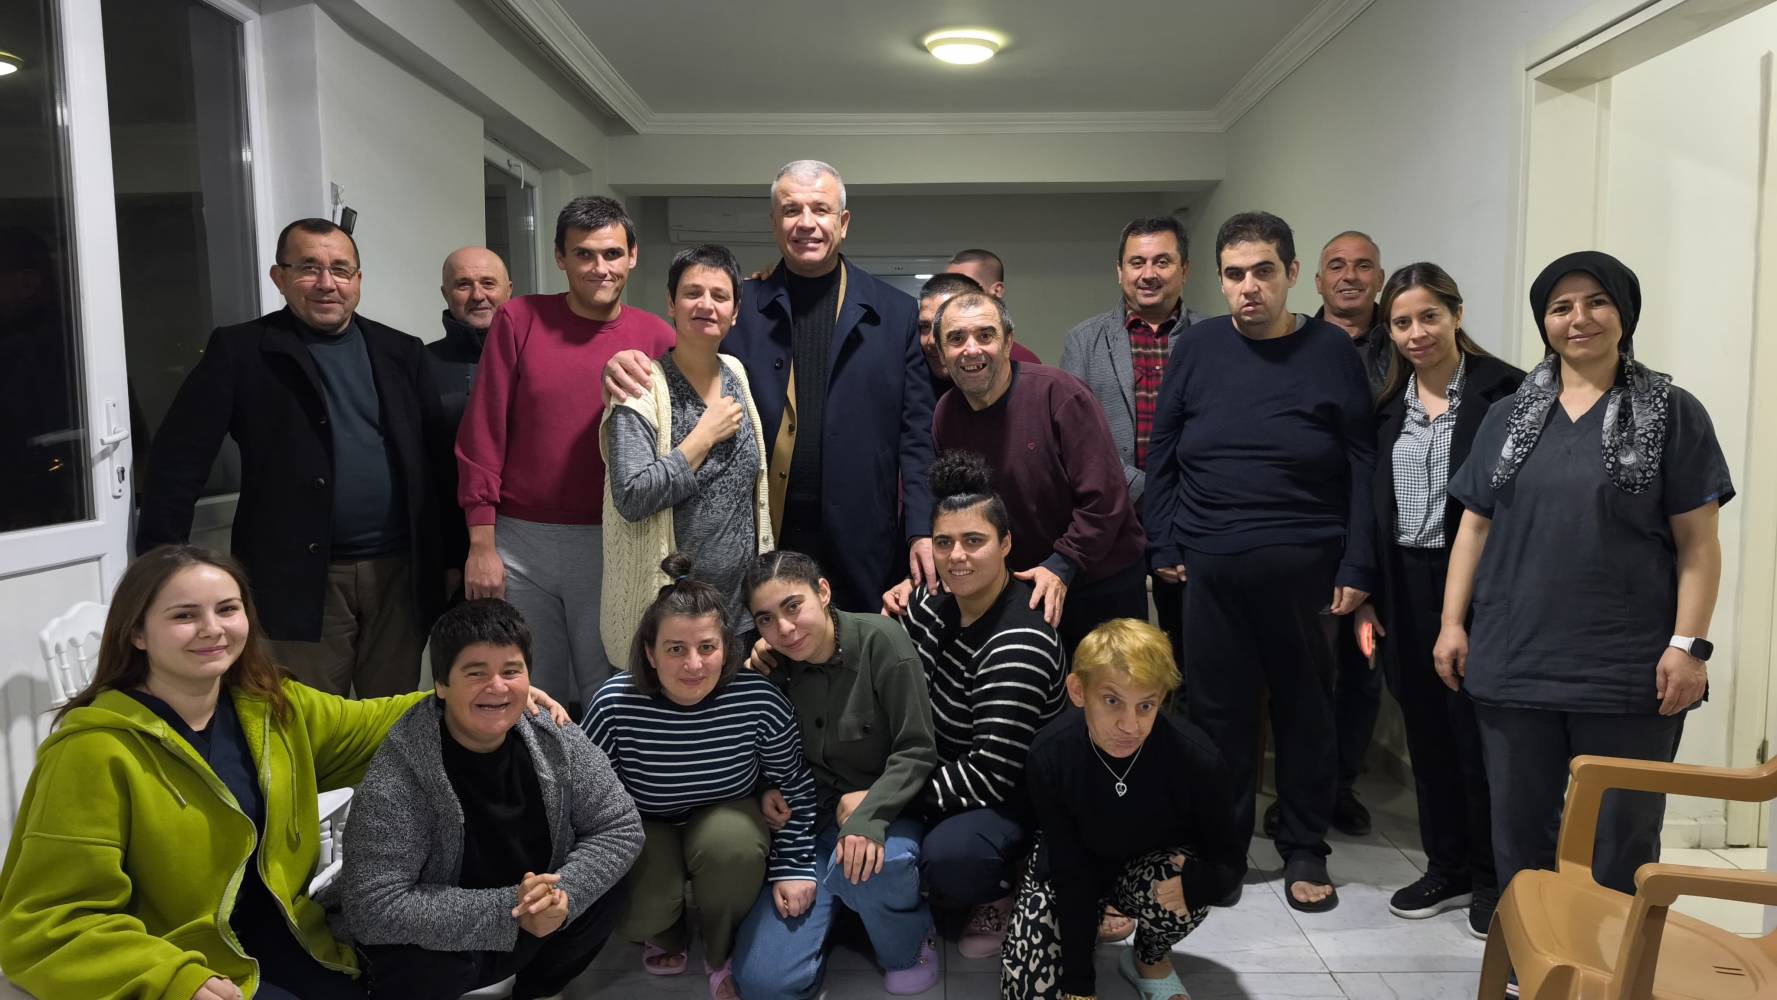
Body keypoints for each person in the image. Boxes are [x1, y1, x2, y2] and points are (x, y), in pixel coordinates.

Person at [0, 545, 562, 999]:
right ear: (137, 633)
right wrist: (171, 978)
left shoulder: (269, 708)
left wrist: (483, 695)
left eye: (227, 609)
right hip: (184, 963)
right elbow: (47, 921)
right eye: (184, 616)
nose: (212, 628)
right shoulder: (92, 751)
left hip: (296, 940)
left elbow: (373, 722)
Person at [1437, 251, 1732, 900]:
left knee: (1619, 842)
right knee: (1519, 839)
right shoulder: (1507, 416)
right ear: (1543, 321)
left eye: (1596, 302)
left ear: (1624, 313)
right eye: (1560, 307)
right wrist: (1452, 624)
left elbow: (1699, 544)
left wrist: (1688, 647)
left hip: (1629, 668)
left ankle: (1612, 958)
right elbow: (1474, 528)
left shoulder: (1672, 412)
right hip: (1514, 658)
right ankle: (1528, 955)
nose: (1579, 319)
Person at [1143, 211, 1376, 912]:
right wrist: (1163, 540)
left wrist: (1357, 565)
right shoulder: (1197, 347)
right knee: (1218, 716)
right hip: (1209, 564)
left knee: (1306, 710)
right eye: (1235, 274)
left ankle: (1304, 845)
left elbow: (1363, 464)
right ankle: (1222, 850)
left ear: (1292, 274)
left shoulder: (1330, 351)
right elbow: (1163, 449)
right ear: (1219, 280)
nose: (1250, 287)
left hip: (1306, 566)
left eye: (1264, 271)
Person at [138, 218, 456, 698]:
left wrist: (451, 557)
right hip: (299, 578)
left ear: (358, 280)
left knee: (392, 716)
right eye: (309, 268)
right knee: (303, 716)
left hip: (398, 574)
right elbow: (180, 459)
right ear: (279, 277)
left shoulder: (401, 351)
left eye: (340, 269)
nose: (327, 283)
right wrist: (161, 567)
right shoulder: (242, 351)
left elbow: (438, 463)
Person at [605, 160, 937, 613]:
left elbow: (916, 438)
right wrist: (620, 361)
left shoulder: (896, 314)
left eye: (820, 209)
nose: (806, 223)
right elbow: (683, 357)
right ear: (774, 223)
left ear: (843, 222)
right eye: (791, 210)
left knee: (860, 646)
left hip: (863, 537)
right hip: (765, 536)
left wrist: (921, 529)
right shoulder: (741, 309)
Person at [341, 598, 642, 1000]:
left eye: (511, 671)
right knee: (413, 965)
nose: (497, 687)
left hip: (530, 924)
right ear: (441, 685)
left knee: (606, 886)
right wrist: (511, 911)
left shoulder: (554, 734)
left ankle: (538, 990)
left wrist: (560, 896)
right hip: (450, 943)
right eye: (476, 673)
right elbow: (372, 905)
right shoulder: (402, 770)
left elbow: (620, 826)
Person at [456, 196, 677, 703]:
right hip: (520, 543)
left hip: (616, 539)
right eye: (584, 254)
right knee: (530, 690)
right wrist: (481, 545)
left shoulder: (658, 337)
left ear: (632, 256)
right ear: (560, 257)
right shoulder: (519, 320)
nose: (600, 268)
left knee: (612, 690)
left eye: (612, 254)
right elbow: (482, 434)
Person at [1359, 263, 1524, 937]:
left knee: (1478, 738)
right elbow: (1372, 508)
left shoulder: (1506, 392)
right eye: (1401, 322)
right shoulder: (1385, 409)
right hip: (1404, 582)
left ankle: (1492, 878)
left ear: (1456, 314)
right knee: (1425, 731)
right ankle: (1446, 865)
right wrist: (1367, 593)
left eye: (1429, 316)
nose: (1416, 333)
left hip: (1481, 587)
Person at [582, 554, 819, 999]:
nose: (694, 664)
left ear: (727, 648)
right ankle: (666, 933)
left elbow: (793, 783)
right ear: (650, 653)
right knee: (636, 906)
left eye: (707, 647)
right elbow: (586, 797)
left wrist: (792, 863)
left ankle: (720, 948)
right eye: (676, 649)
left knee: (734, 847)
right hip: (644, 826)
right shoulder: (613, 704)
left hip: (726, 820)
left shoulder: (759, 700)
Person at [881, 450, 1068, 959]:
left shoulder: (1019, 641)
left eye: (974, 541)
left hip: (1011, 792)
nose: (956, 556)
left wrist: (889, 795)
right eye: (944, 542)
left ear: (1006, 544)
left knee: (952, 859)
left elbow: (991, 774)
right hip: (940, 768)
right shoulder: (930, 600)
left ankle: (1006, 883)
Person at [731, 550, 940, 998]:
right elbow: (761, 752)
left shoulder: (882, 640)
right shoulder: (769, 667)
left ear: (823, 592)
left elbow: (917, 749)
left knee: (875, 866)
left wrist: (869, 816)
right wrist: (766, 789)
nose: (784, 628)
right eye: (766, 619)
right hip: (807, 829)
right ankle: (836, 916)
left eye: (793, 606)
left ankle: (906, 941)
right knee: (763, 985)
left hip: (886, 814)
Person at [1000, 619, 1244, 1000]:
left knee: (1184, 882)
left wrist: (1200, 884)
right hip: (1071, 868)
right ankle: (1086, 934)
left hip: (1144, 869)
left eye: (1145, 705)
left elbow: (1230, 861)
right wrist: (1080, 984)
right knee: (1028, 991)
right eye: (1112, 701)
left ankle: (1148, 957)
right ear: (1079, 691)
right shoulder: (1050, 755)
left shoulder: (1197, 759)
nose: (1130, 726)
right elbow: (1070, 867)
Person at [932, 289, 1148, 656]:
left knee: (1110, 687)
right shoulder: (946, 414)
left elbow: (1106, 499)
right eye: (956, 339)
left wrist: (1062, 564)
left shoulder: (1060, 395)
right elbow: (962, 510)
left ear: (1008, 342)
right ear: (941, 353)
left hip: (1098, 581)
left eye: (985, 335)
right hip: (1021, 587)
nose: (971, 349)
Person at [600, 244, 773, 664]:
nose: (705, 305)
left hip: (738, 612)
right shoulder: (640, 388)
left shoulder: (736, 373)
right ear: (671, 305)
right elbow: (632, 497)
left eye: (720, 296)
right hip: (671, 617)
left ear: (735, 312)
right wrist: (702, 437)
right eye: (692, 293)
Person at [1060, 216, 1208, 675]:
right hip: (1112, 521)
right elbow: (1075, 440)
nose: (1148, 273)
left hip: (1194, 520)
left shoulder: (1214, 337)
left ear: (1184, 269)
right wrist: (1148, 492)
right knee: (1118, 657)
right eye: (1137, 262)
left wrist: (1176, 501)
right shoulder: (1083, 341)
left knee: (1195, 654)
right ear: (1119, 271)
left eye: (1162, 261)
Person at [917, 272, 1039, 399]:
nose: (932, 340)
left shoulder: (1025, 369)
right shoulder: (916, 372)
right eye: (925, 326)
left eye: (944, 326)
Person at [429, 246, 513, 428]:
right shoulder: (420, 363)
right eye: (463, 285)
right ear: (445, 294)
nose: (477, 295)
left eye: (488, 283)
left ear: (508, 290)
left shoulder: (536, 356)